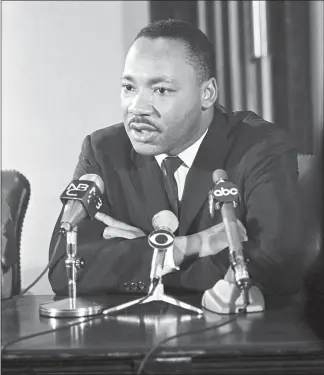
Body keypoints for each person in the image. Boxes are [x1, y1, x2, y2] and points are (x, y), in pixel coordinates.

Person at [48, 19, 302, 297]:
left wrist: (144, 258)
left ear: (207, 94)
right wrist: (184, 248)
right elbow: (64, 269)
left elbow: (270, 263)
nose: (138, 107)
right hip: (133, 335)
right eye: (129, 88)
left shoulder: (260, 146)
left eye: (161, 90)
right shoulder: (103, 150)